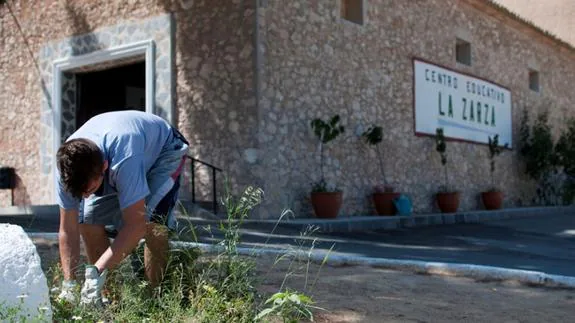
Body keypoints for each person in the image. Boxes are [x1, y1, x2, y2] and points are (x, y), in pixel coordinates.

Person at [54, 110, 189, 306]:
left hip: (164, 151)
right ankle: (109, 297)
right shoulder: (66, 169)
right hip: (121, 150)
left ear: (104, 167)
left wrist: (96, 271)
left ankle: (154, 299)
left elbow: (136, 225)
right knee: (87, 220)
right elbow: (68, 229)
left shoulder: (124, 160)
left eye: (90, 189)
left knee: (153, 223)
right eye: (80, 193)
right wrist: (69, 284)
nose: (85, 196)